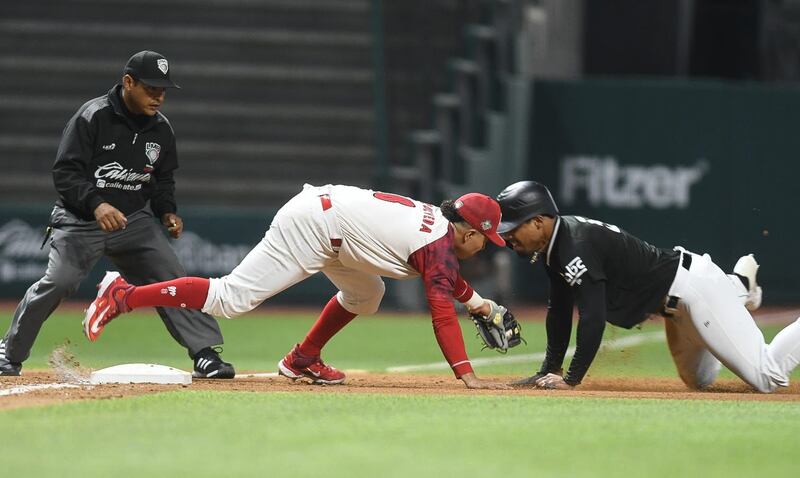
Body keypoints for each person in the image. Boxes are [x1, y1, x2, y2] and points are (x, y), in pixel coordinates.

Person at [83, 184, 511, 389]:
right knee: (230, 298)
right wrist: (466, 375)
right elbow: (439, 310)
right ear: (470, 232)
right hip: (315, 226)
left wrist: (477, 303)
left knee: (368, 294)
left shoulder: (436, 232)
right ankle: (124, 294)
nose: (483, 247)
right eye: (484, 239)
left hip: (335, 229)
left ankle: (303, 358)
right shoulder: (437, 245)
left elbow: (444, 278)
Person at [0, 51, 234, 379]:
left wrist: (167, 211)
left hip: (133, 221)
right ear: (128, 82)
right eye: (151, 88)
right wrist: (96, 204)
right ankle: (8, 352)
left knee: (172, 277)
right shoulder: (92, 116)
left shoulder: (161, 130)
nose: (159, 96)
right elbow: (66, 173)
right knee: (59, 281)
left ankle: (205, 353)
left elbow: (162, 179)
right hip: (81, 220)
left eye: (163, 90)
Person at [496, 180, 800, 393]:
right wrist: (550, 369)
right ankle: (738, 286)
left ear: (538, 222)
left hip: (694, 290)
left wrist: (572, 378)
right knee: (701, 381)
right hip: (676, 303)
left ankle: (733, 288)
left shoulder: (576, 246)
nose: (508, 239)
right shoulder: (556, 248)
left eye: (513, 228)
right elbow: (560, 311)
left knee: (766, 376)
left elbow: (593, 316)